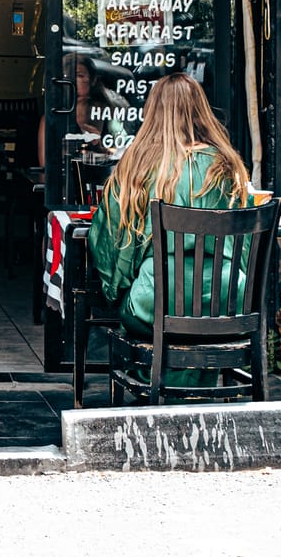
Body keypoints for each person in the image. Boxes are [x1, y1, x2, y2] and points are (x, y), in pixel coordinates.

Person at [86, 73, 253, 379]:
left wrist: (119, 287)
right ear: (200, 110)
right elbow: (242, 246)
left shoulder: (137, 166)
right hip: (228, 303)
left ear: (152, 112)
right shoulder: (227, 165)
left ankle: (154, 383)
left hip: (155, 307)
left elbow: (112, 243)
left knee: (135, 298)